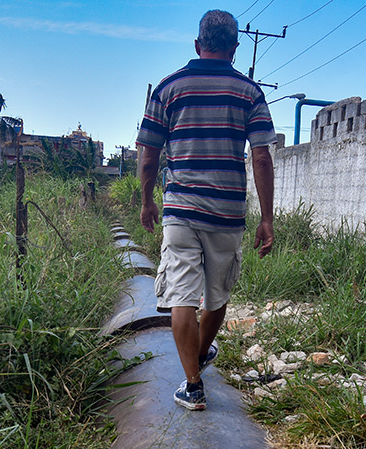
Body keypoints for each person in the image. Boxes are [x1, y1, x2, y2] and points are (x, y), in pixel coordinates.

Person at [136, 9, 277, 411]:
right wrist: (266, 218)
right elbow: (262, 157)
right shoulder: (249, 92)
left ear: (197, 45)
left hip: (179, 209)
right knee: (216, 296)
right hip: (227, 213)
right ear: (234, 48)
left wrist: (147, 200)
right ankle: (197, 358)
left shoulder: (168, 88)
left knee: (182, 296)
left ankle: (192, 383)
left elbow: (148, 156)